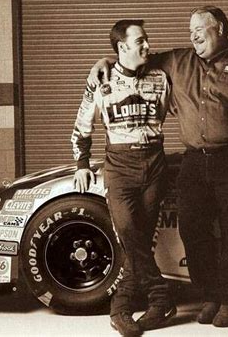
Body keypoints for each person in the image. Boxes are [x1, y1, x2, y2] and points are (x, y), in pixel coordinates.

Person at [89, 6, 228, 328]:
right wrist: (103, 62)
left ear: (218, 28)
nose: (192, 36)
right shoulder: (178, 61)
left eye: (198, 30)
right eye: (189, 31)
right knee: (193, 230)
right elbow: (131, 59)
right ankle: (209, 297)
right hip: (195, 160)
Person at [71, 19, 176, 337]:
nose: (148, 45)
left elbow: (167, 114)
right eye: (141, 40)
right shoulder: (101, 81)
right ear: (121, 47)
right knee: (129, 229)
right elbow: (82, 126)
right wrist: (82, 164)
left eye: (147, 39)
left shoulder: (160, 78)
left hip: (155, 165)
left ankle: (121, 310)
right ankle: (160, 298)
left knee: (139, 239)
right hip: (119, 168)